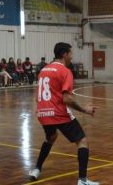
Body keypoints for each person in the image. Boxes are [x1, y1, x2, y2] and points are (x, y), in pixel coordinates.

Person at [29, 42, 99, 185]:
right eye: (71, 54)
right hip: (58, 113)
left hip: (42, 112)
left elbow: (39, 95)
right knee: (82, 141)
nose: (72, 57)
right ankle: (83, 180)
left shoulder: (44, 70)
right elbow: (67, 99)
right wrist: (84, 110)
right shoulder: (65, 71)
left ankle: (36, 169)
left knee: (51, 138)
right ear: (64, 54)